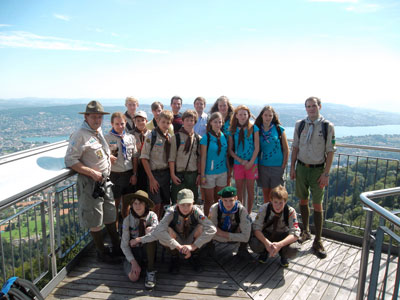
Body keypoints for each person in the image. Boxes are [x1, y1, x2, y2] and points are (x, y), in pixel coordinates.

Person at [64, 100, 121, 263]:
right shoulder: (80, 135)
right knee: (95, 218)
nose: (97, 120)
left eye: (99, 117)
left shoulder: (97, 131)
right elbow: (70, 160)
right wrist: (91, 172)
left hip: (104, 180)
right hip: (90, 183)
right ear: (86, 117)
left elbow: (96, 152)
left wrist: (107, 158)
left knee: (110, 214)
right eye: (94, 117)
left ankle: (117, 248)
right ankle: (102, 253)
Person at [290, 96, 336, 259]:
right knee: (302, 199)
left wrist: (326, 173)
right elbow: (295, 147)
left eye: (313, 106)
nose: (311, 109)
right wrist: (292, 167)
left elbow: (330, 151)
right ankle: (306, 231)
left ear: (320, 106)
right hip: (302, 167)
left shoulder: (327, 126)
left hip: (318, 170)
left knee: (317, 203)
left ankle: (318, 240)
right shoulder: (299, 124)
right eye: (308, 106)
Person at [132, 189, 216, 274]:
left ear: (193, 203)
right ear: (177, 202)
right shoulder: (171, 211)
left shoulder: (196, 211)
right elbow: (159, 231)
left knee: (201, 228)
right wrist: (179, 247)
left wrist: (193, 246)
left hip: (191, 240)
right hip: (176, 241)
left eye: (189, 204)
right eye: (183, 204)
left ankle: (195, 255)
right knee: (167, 231)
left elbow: (212, 229)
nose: (186, 208)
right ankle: (174, 257)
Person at [249, 185, 300, 268]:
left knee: (294, 248)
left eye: (281, 203)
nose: (278, 206)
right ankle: (264, 252)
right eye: (275, 202)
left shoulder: (290, 211)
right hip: (267, 234)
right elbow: (256, 228)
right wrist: (267, 243)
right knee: (254, 243)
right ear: (271, 200)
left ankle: (283, 255)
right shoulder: (264, 208)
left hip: (283, 235)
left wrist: (280, 244)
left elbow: (295, 234)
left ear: (285, 202)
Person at [105, 112, 138, 227]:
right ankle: (115, 233)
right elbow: (100, 156)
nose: (120, 126)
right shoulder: (106, 138)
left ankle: (126, 230)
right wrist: (108, 157)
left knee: (126, 206)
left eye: (122, 124)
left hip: (128, 174)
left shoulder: (131, 138)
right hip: (114, 175)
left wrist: (134, 174)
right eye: (117, 124)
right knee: (114, 205)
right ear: (112, 124)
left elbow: (134, 157)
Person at [120, 191, 158, 289]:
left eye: (141, 203)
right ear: (131, 205)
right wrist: (133, 262)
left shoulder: (152, 216)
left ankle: (150, 270)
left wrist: (139, 239)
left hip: (147, 249)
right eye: (135, 203)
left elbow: (157, 234)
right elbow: (124, 244)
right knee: (133, 278)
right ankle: (137, 264)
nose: (138, 206)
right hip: (134, 252)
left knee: (150, 233)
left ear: (146, 204)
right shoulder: (127, 220)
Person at [141, 110, 174, 219]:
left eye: (168, 123)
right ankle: (153, 227)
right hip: (154, 174)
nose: (165, 125)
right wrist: (151, 179)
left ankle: (160, 226)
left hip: (166, 174)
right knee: (156, 204)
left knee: (165, 203)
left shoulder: (169, 137)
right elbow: (144, 158)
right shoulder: (151, 136)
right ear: (158, 120)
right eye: (163, 122)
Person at [255, 105, 289, 203]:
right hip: (263, 166)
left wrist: (283, 165)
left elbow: (286, 149)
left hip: (277, 167)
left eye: (270, 115)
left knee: (277, 194)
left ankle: (276, 215)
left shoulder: (279, 129)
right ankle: (267, 213)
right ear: (262, 116)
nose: (268, 118)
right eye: (266, 115)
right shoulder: (257, 130)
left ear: (273, 116)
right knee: (266, 193)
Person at [228, 105, 259, 212]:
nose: (242, 117)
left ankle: (249, 213)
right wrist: (241, 161)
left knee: (251, 191)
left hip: (252, 163)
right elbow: (230, 150)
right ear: (236, 116)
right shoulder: (232, 130)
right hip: (238, 163)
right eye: (240, 114)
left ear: (248, 116)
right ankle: (240, 213)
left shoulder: (254, 128)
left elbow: (257, 147)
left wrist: (251, 162)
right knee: (239, 191)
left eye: (245, 114)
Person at [208, 186, 252, 258]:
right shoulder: (215, 208)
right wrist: (237, 237)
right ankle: (209, 248)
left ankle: (243, 250)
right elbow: (211, 230)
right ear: (221, 199)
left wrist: (223, 234)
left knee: (250, 226)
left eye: (231, 200)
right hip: (233, 236)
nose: (228, 204)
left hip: (222, 234)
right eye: (225, 200)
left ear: (236, 198)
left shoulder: (242, 210)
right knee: (205, 229)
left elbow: (246, 237)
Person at [200, 112, 229, 215]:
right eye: (215, 122)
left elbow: (226, 155)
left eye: (219, 122)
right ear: (211, 123)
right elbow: (203, 158)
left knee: (219, 200)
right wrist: (202, 175)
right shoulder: (206, 138)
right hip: (209, 173)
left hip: (222, 172)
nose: (217, 124)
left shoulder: (224, 136)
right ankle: (207, 221)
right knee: (209, 201)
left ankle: (217, 220)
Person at [169, 110, 201, 204]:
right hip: (179, 174)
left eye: (192, 120)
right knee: (177, 200)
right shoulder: (176, 137)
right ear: (183, 121)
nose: (189, 122)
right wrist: (172, 175)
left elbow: (199, 158)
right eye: (187, 120)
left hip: (193, 174)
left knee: (192, 201)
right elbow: (172, 158)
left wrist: (199, 174)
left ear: (195, 122)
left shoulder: (198, 138)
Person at [131, 110, 149, 199]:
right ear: (134, 121)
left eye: (142, 120)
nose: (140, 122)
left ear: (146, 121)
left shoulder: (151, 134)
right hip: (135, 167)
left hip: (148, 167)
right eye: (138, 120)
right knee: (136, 193)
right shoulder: (130, 135)